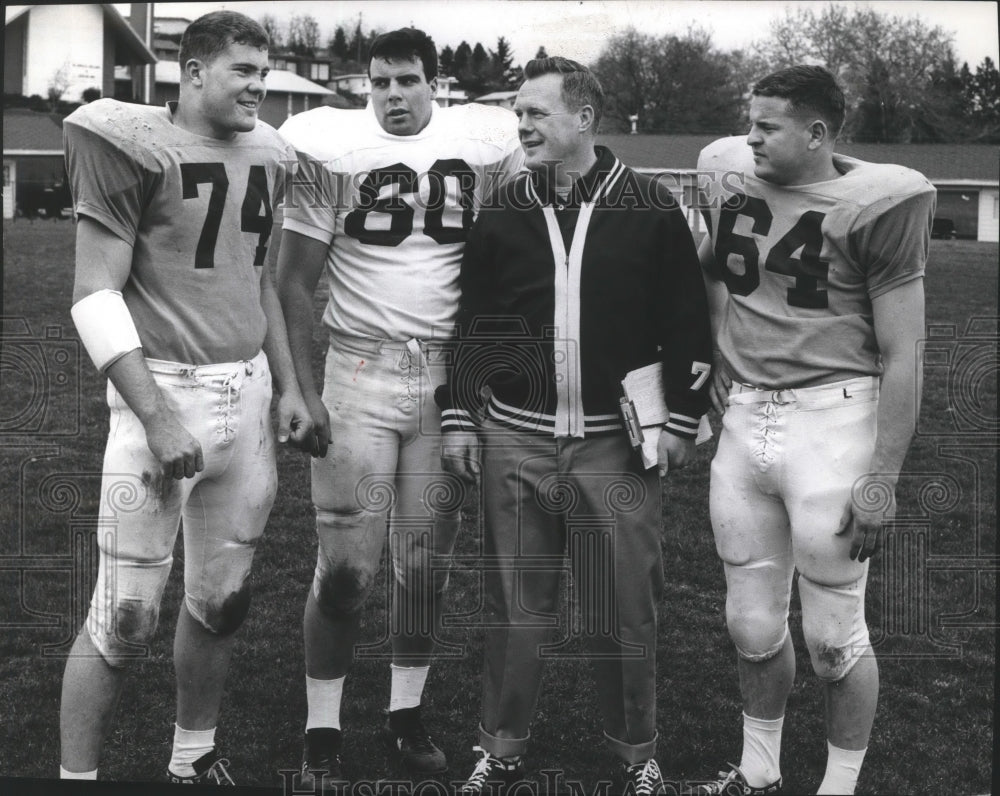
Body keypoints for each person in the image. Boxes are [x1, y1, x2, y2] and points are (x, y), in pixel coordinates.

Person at [436, 57, 713, 794]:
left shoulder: (652, 207)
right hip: (516, 437)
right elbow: (475, 319)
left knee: (622, 605)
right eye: (518, 114)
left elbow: (688, 320)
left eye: (536, 112)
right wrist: (461, 415)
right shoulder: (502, 207)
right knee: (515, 607)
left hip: (612, 443)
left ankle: (633, 750)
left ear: (584, 118)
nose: (521, 125)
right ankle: (501, 746)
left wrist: (681, 420)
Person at [58, 11, 311, 785]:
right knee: (123, 618)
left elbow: (259, 281)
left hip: (248, 397)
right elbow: (92, 294)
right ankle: (74, 779)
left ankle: (192, 755)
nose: (258, 88)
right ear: (193, 71)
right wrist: (157, 416)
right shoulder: (131, 144)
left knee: (222, 601)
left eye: (264, 73)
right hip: (162, 396)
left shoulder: (270, 151)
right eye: (243, 71)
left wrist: (293, 385)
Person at [274, 27, 524, 786]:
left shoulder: (482, 149)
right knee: (345, 570)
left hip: (447, 379)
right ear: (364, 86)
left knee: (425, 566)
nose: (391, 95)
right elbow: (291, 281)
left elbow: (509, 266)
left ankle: (404, 713)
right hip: (359, 370)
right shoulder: (331, 154)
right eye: (378, 82)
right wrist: (300, 384)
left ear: (434, 84)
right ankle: (322, 728)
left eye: (406, 81)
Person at [693, 65, 933, 795]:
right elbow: (709, 263)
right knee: (752, 625)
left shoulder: (880, 202)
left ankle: (839, 786)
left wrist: (883, 478)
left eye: (769, 124)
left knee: (833, 637)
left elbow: (905, 353)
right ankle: (758, 772)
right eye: (751, 120)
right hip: (745, 423)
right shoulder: (729, 175)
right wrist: (711, 347)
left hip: (834, 421)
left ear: (818, 133)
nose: (751, 135)